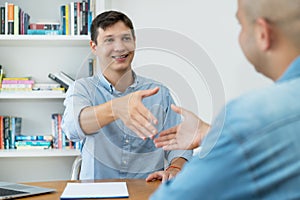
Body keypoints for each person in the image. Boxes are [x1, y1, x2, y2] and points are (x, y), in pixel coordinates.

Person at [150, 0, 300, 199]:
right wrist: (214, 134)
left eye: (242, 26)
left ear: (263, 34)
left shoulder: (250, 117)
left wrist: (228, 134)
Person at [61, 10, 192, 181]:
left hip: (148, 190)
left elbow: (179, 143)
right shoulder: (82, 89)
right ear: (94, 47)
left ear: (134, 42)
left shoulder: (158, 92)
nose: (120, 47)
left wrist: (175, 167)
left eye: (126, 38)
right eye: (109, 40)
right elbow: (72, 128)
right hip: (96, 191)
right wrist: (116, 108)